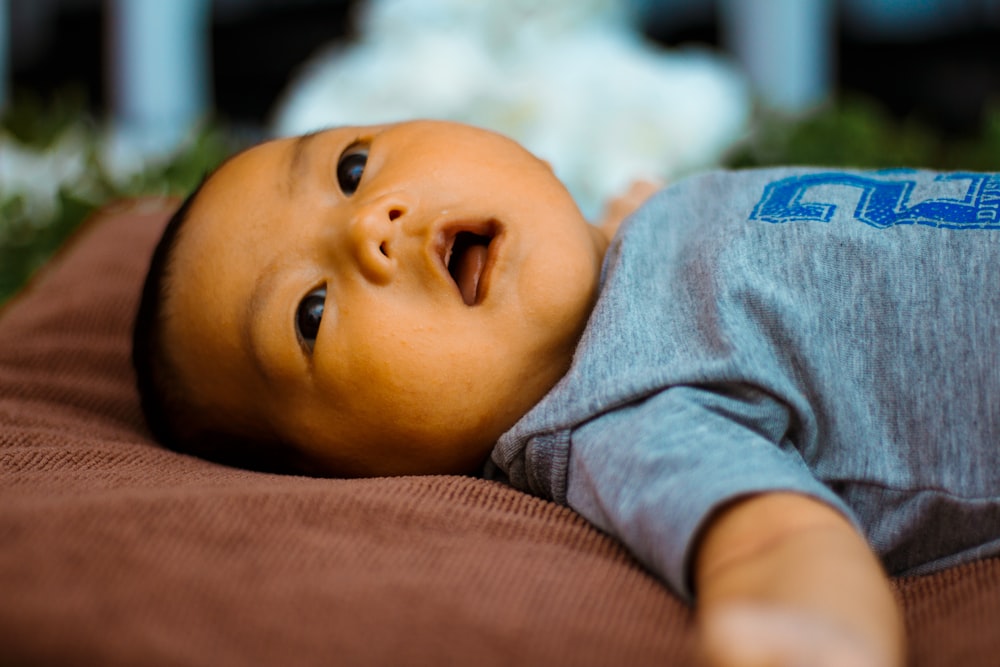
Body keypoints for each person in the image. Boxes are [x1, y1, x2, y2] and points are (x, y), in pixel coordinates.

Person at [133, 119, 1000, 667]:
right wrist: (805, 635)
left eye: (353, 167)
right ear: (350, 469)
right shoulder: (627, 414)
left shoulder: (634, 241)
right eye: (310, 313)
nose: (370, 223)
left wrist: (642, 226)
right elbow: (774, 542)